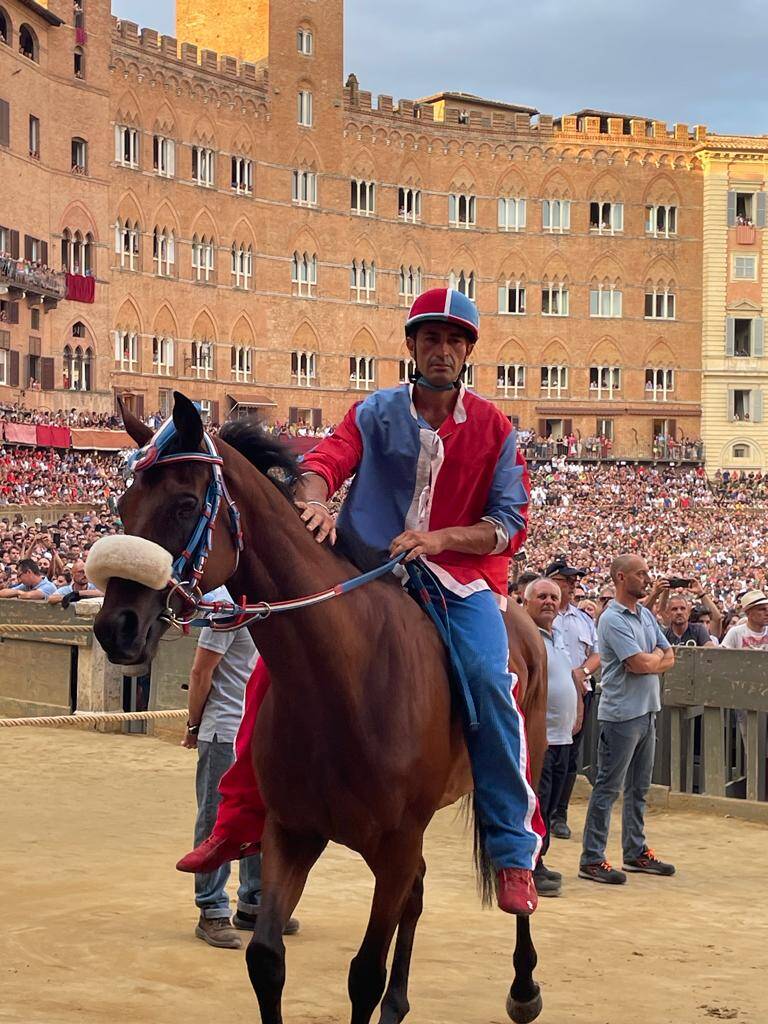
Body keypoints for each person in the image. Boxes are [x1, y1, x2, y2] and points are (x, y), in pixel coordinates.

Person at [177, 287, 544, 916]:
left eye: (455, 340)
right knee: (274, 672)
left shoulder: (496, 429)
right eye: (431, 338)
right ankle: (237, 822)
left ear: (468, 352)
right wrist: (315, 496)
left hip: (459, 581)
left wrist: (439, 539)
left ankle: (513, 850)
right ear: (412, 346)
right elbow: (325, 461)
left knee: (490, 679)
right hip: (366, 570)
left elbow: (508, 522)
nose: (443, 350)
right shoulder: (373, 412)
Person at [182, 590, 299, 948]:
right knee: (216, 818)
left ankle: (253, 901)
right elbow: (202, 671)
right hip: (225, 728)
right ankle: (212, 908)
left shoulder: (273, 600)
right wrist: (194, 723)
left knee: (263, 814)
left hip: (259, 729)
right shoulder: (225, 603)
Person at [579, 555, 676, 884]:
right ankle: (592, 858)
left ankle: (635, 851)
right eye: (641, 574)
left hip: (646, 711)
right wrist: (654, 659)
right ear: (621, 578)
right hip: (621, 716)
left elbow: (669, 655)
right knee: (608, 787)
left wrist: (653, 660)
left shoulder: (645, 615)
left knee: (639, 788)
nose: (647, 579)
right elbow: (638, 664)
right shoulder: (612, 619)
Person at [524, 578, 579, 897]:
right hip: (540, 739)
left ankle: (539, 860)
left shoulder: (556, 638)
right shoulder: (524, 635)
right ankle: (529, 866)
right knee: (536, 804)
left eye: (553, 597)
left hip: (562, 738)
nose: (548, 602)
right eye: (541, 596)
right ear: (526, 601)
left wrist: (578, 710)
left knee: (551, 805)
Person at [545, 559, 600, 841]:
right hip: (550, 693)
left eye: (573, 581)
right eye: (565, 580)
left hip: (580, 692)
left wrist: (582, 673)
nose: (571, 585)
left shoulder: (583, 619)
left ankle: (559, 813)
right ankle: (542, 813)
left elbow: (596, 653)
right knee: (544, 757)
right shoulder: (542, 615)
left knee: (569, 758)